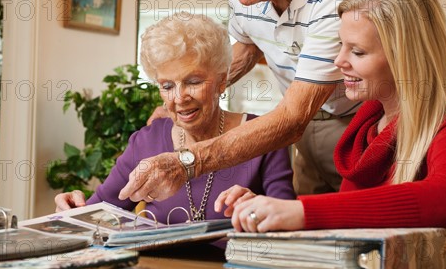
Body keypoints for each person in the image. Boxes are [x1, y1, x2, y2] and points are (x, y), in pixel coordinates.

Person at [214, 0, 446, 269]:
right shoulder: (366, 125)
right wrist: (268, 212)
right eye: (341, 46)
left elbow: (444, 199)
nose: (339, 62)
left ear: (405, 58)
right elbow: (353, 221)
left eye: (358, 52)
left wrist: (299, 212)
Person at [121, 0, 368, 205]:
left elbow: (292, 118)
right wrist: (198, 90)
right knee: (312, 236)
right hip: (307, 131)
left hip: (357, 125)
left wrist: (187, 161)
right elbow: (248, 47)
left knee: (360, 227)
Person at [55, 13, 295, 223]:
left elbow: (286, 224)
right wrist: (72, 207)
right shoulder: (145, 142)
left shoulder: (263, 137)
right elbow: (99, 212)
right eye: (167, 85)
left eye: (193, 82)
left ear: (222, 81)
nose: (179, 98)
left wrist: (257, 208)